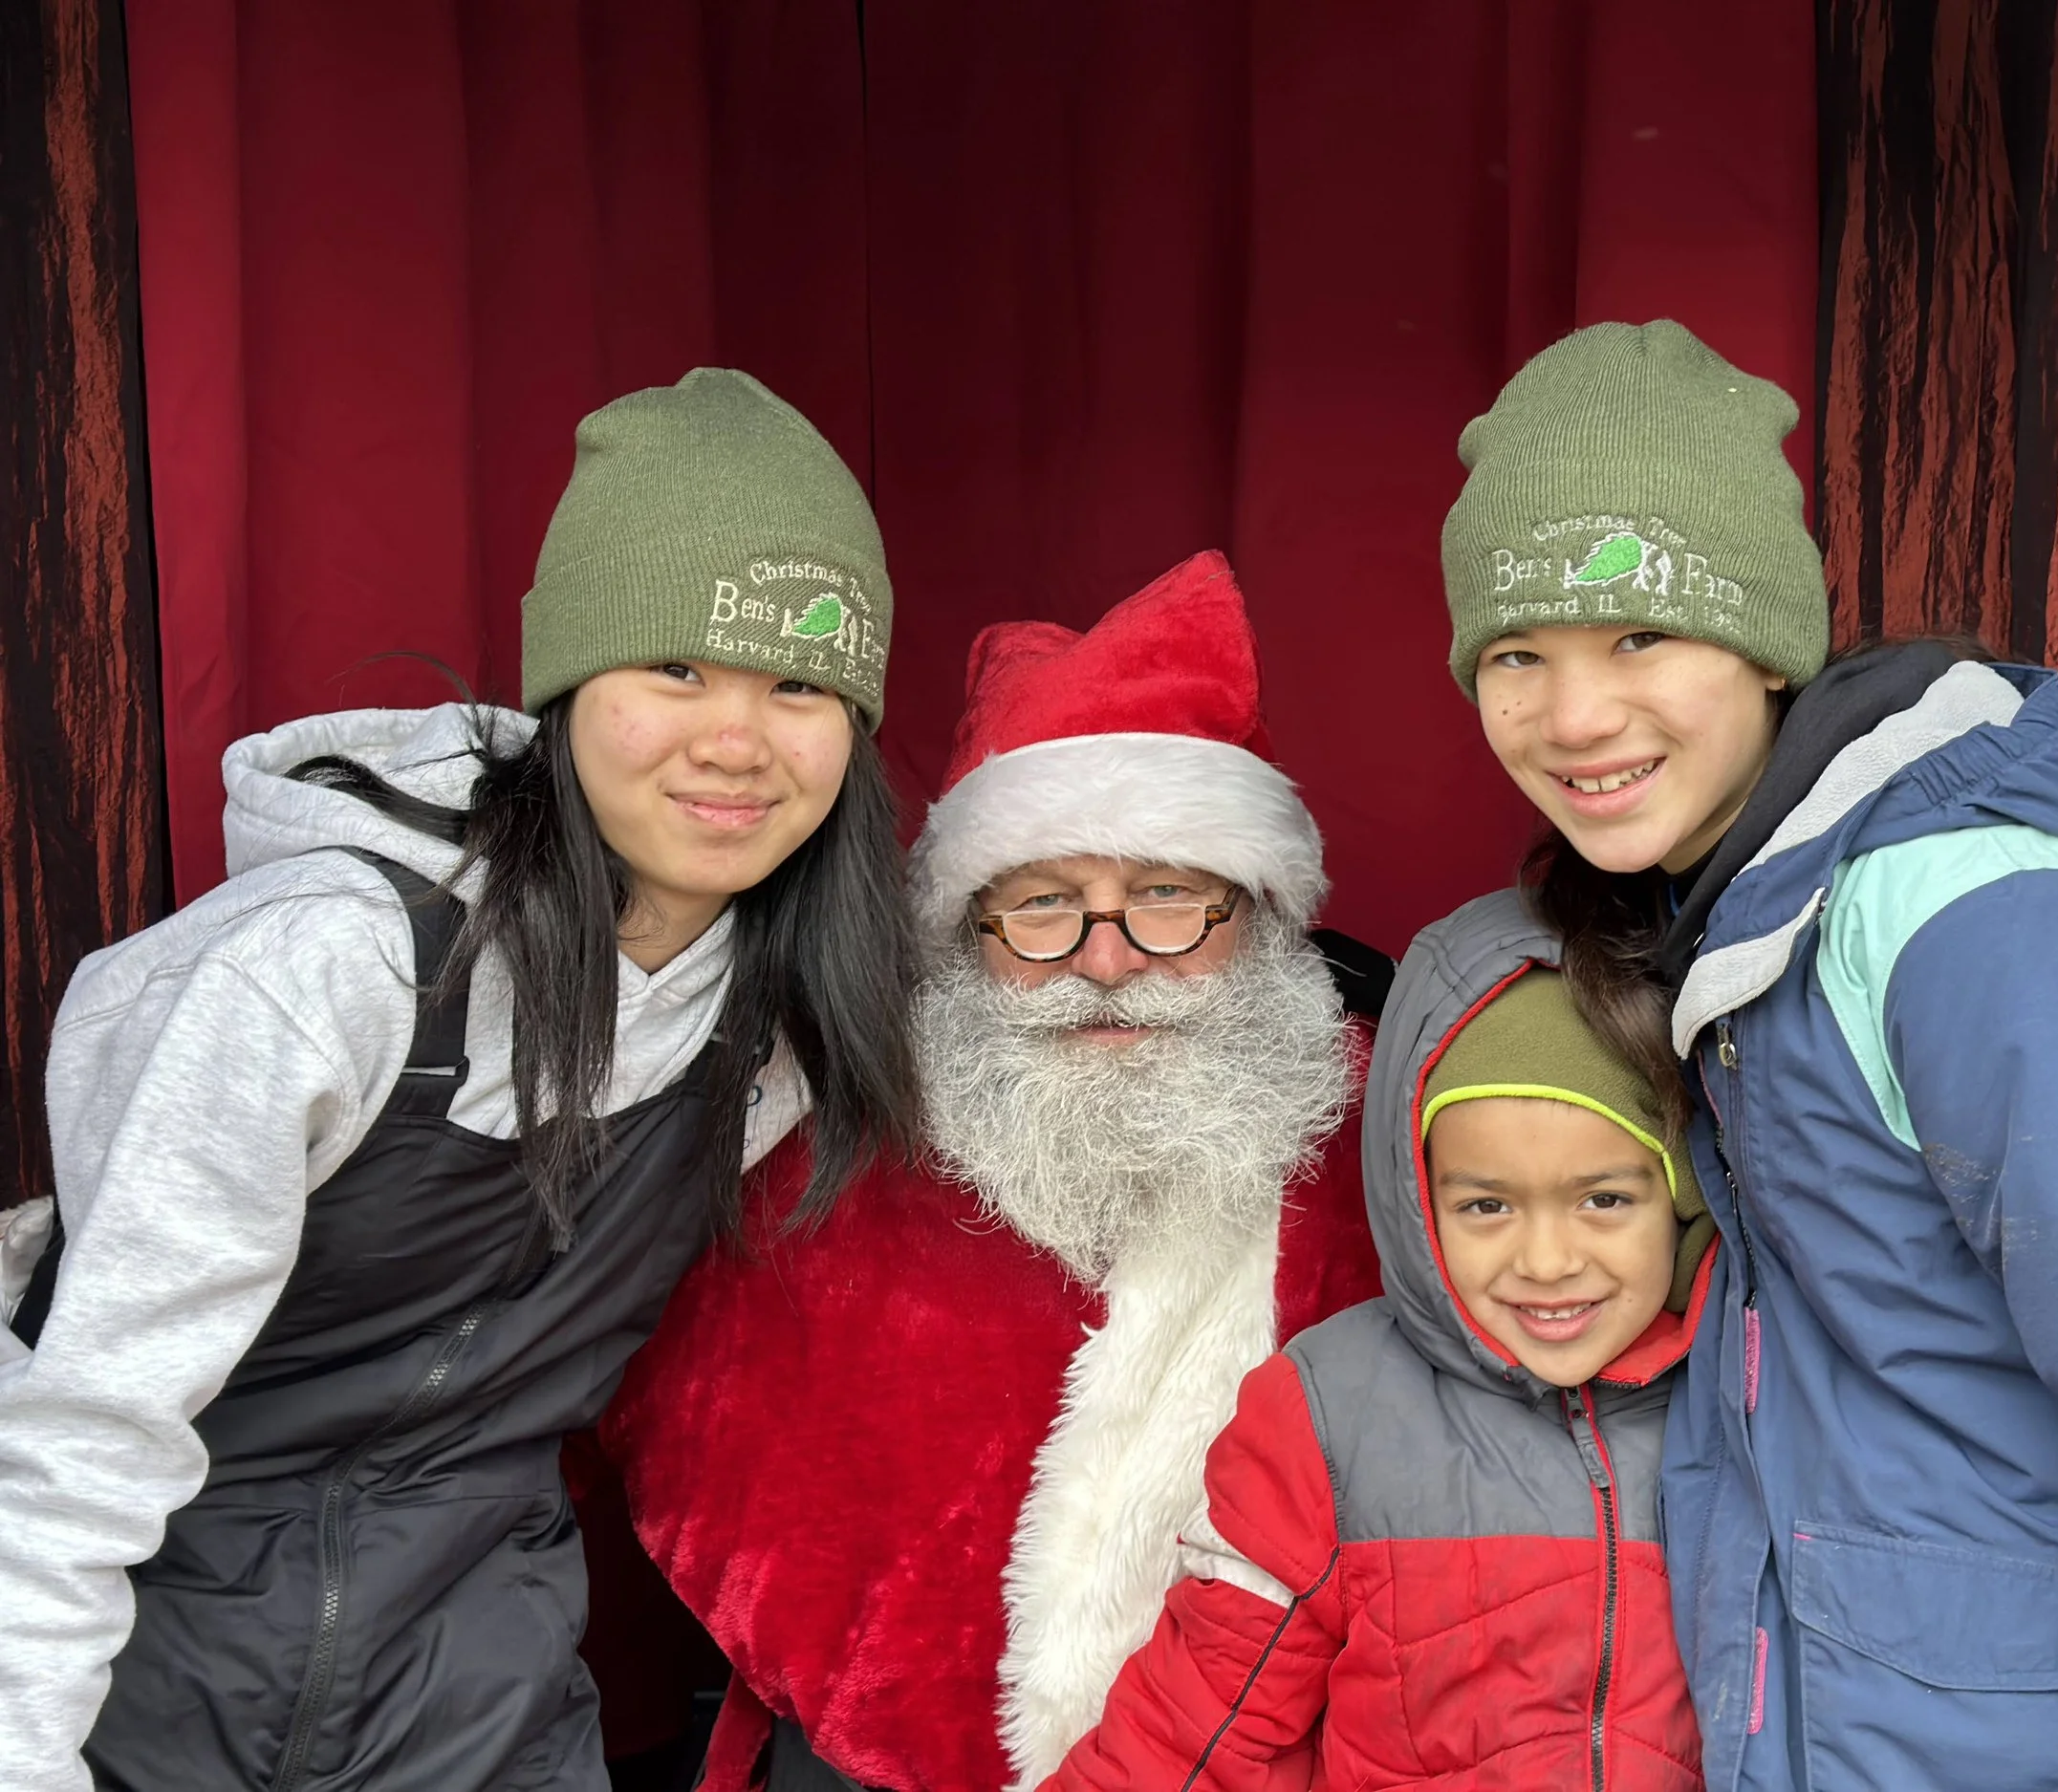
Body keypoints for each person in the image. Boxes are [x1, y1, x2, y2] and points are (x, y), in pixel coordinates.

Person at [1434, 318, 2058, 1788]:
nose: (1573, 715)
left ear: (1764, 641)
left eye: (1640, 632)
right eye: (1517, 651)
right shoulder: (1741, 927)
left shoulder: (1974, 914)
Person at [0, 369, 917, 1792]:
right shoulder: (321, 967)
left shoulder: (786, 1022)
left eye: (799, 680)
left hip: (480, 1696)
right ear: (570, 683)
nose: (736, 739)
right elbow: (78, 1432)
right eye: (676, 666)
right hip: (141, 1682)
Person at [599, 551, 1384, 1792]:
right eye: (1042, 905)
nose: (1108, 958)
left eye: (1169, 897)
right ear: (967, 932)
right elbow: (695, 1450)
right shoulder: (825, 1150)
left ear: (1260, 912)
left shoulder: (1380, 1130)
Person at [1039, 954, 1716, 1790]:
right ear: (1416, 1201)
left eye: (1604, 1199)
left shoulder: (1747, 1391)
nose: (1548, 1259)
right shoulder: (1334, 1410)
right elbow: (1202, 1726)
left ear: (1680, 1196)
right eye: (1487, 1205)